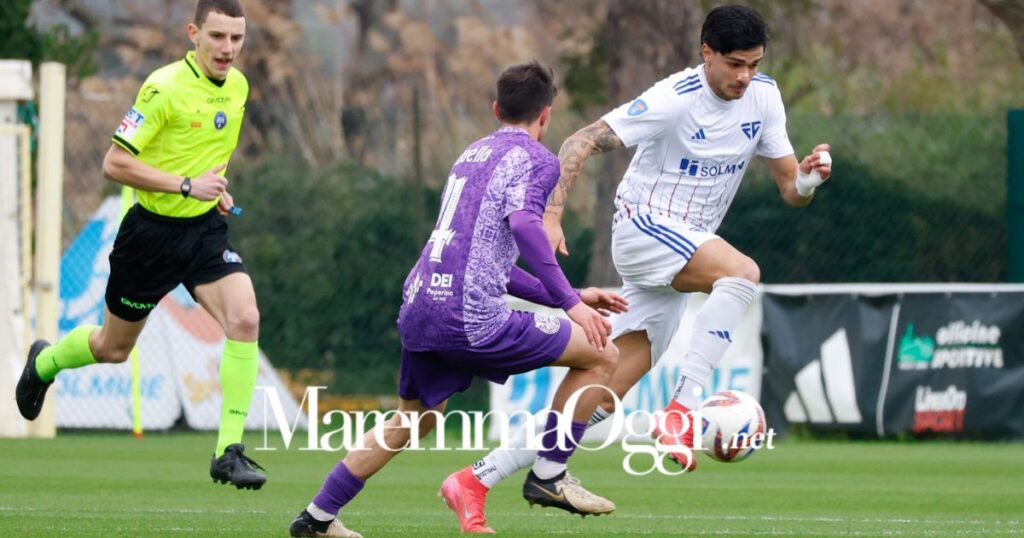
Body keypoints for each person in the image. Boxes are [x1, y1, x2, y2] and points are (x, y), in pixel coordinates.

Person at [438, 4, 834, 530]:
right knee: (742, 273)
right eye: (735, 63)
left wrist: (808, 181)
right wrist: (552, 214)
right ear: (706, 53)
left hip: (687, 246)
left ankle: (482, 477)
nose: (745, 76)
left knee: (602, 388)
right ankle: (682, 412)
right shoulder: (674, 99)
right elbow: (579, 140)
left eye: (754, 64)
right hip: (644, 228)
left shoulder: (765, 97)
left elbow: (790, 189)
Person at [287, 61, 626, 538]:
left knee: (413, 420)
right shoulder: (537, 159)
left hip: (421, 303)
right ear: (545, 116)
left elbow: (488, 262)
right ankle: (549, 474)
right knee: (603, 354)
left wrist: (566, 294)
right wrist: (571, 304)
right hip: (470, 316)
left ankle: (316, 519)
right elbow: (528, 227)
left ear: (495, 109)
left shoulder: (471, 154)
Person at [15, 0, 267, 489]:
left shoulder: (238, 88)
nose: (228, 49)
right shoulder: (162, 88)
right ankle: (45, 361)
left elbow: (206, 157)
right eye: (217, 36)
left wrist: (213, 189)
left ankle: (228, 451)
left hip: (203, 234)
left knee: (246, 318)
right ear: (194, 33)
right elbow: (113, 163)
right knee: (112, 348)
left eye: (236, 38)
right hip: (149, 236)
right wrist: (186, 185)